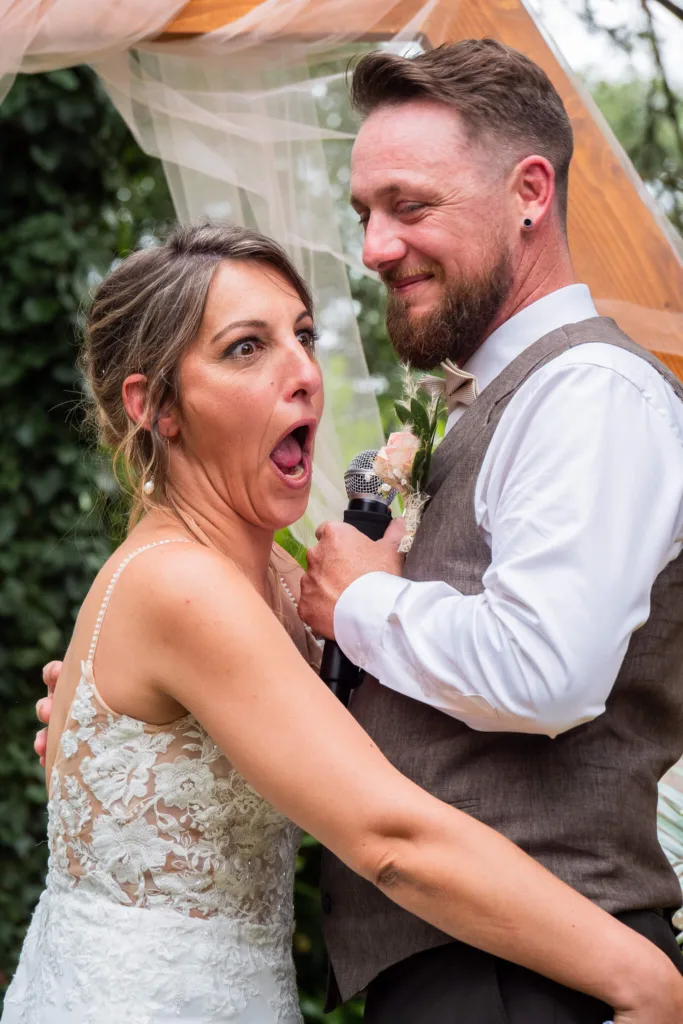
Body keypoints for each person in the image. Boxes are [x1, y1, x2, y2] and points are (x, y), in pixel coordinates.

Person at [11, 224, 683, 1024]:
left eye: (301, 336)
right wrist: (642, 977)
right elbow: (387, 835)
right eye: (244, 350)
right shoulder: (181, 584)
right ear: (155, 406)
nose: (301, 373)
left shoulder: (280, 584)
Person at [298, 37, 683, 1024]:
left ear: (527, 191)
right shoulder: (466, 405)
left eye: (409, 206)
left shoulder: (587, 392)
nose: (375, 246)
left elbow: (543, 669)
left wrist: (361, 601)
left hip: (537, 977)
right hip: (465, 972)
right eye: (365, 214)